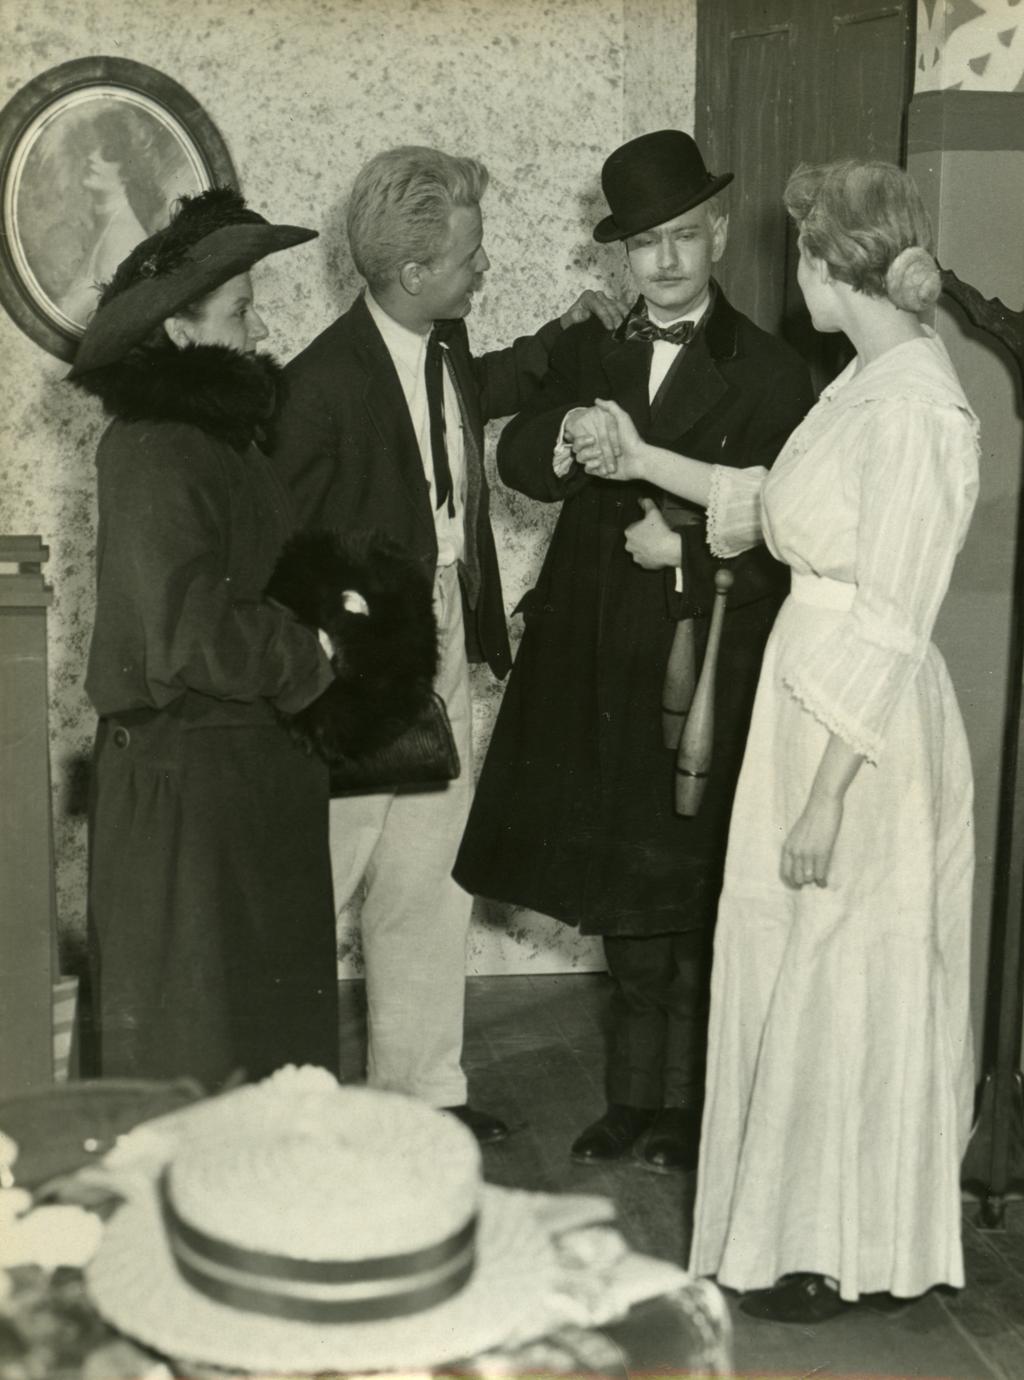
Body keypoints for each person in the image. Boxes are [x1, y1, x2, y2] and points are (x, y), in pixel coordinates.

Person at [587, 160, 979, 1319]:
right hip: (807, 701)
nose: (787, 270)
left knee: (844, 965)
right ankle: (798, 1233)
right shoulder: (864, 380)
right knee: (801, 957)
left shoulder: (915, 406)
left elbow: (895, 614)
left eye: (797, 249)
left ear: (825, 263)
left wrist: (826, 796)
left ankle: (840, 1247)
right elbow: (774, 504)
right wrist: (640, 458)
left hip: (860, 728)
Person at [453, 130, 813, 1171]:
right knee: (621, 887)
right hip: (598, 652)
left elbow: (795, 536)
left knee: (691, 892)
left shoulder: (772, 370)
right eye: (644, 243)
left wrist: (688, 553)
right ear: (619, 254)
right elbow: (518, 455)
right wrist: (565, 433)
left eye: (683, 237)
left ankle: (693, 1111)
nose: (663, 260)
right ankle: (630, 1100)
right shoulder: (593, 348)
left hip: (705, 658)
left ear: (717, 235)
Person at [270, 145, 623, 1143]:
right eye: (470, 257)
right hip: (356, 662)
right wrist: (335, 666)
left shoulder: (441, 340)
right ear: (411, 271)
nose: (483, 267)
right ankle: (286, 1110)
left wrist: (561, 337)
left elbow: (478, 386)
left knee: (429, 879)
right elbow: (278, 552)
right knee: (322, 880)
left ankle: (421, 1096)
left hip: (442, 635)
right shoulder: (317, 387)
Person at [69, 188, 433, 1091]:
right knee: (191, 1055)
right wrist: (317, 651)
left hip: (242, 777)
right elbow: (189, 632)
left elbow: (248, 578)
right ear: (180, 331)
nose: (260, 325)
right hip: (188, 794)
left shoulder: (216, 441)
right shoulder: (154, 447)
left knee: (254, 1044)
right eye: (240, 310)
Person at [58, 108, 168, 326]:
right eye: (95, 147)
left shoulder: (125, 240)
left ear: (129, 170)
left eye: (108, 152)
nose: (92, 157)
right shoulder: (101, 225)